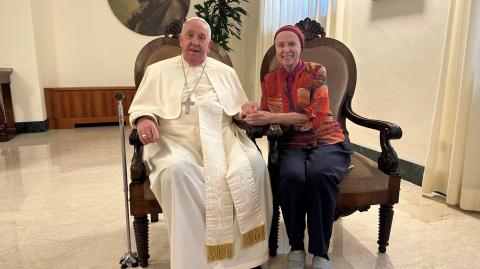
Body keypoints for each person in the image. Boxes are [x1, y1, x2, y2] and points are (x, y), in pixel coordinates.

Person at [128, 17, 272, 269]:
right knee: (176, 172)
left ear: (209, 44)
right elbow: (142, 107)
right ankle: (192, 260)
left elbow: (238, 108)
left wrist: (245, 110)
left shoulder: (225, 71)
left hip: (223, 137)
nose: (195, 42)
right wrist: (144, 121)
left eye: (202, 37)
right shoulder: (157, 71)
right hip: (176, 141)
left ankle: (245, 258)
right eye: (190, 36)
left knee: (252, 166)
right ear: (181, 40)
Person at [242, 25, 353, 269]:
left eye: (291, 44)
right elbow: (264, 120)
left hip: (325, 138)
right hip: (291, 143)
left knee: (320, 174)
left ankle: (321, 251)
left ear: (300, 47)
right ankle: (297, 246)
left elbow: (312, 115)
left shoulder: (315, 72)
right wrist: (251, 111)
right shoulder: (270, 80)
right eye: (280, 45)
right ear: (276, 49)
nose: (286, 50)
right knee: (291, 177)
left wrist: (269, 117)